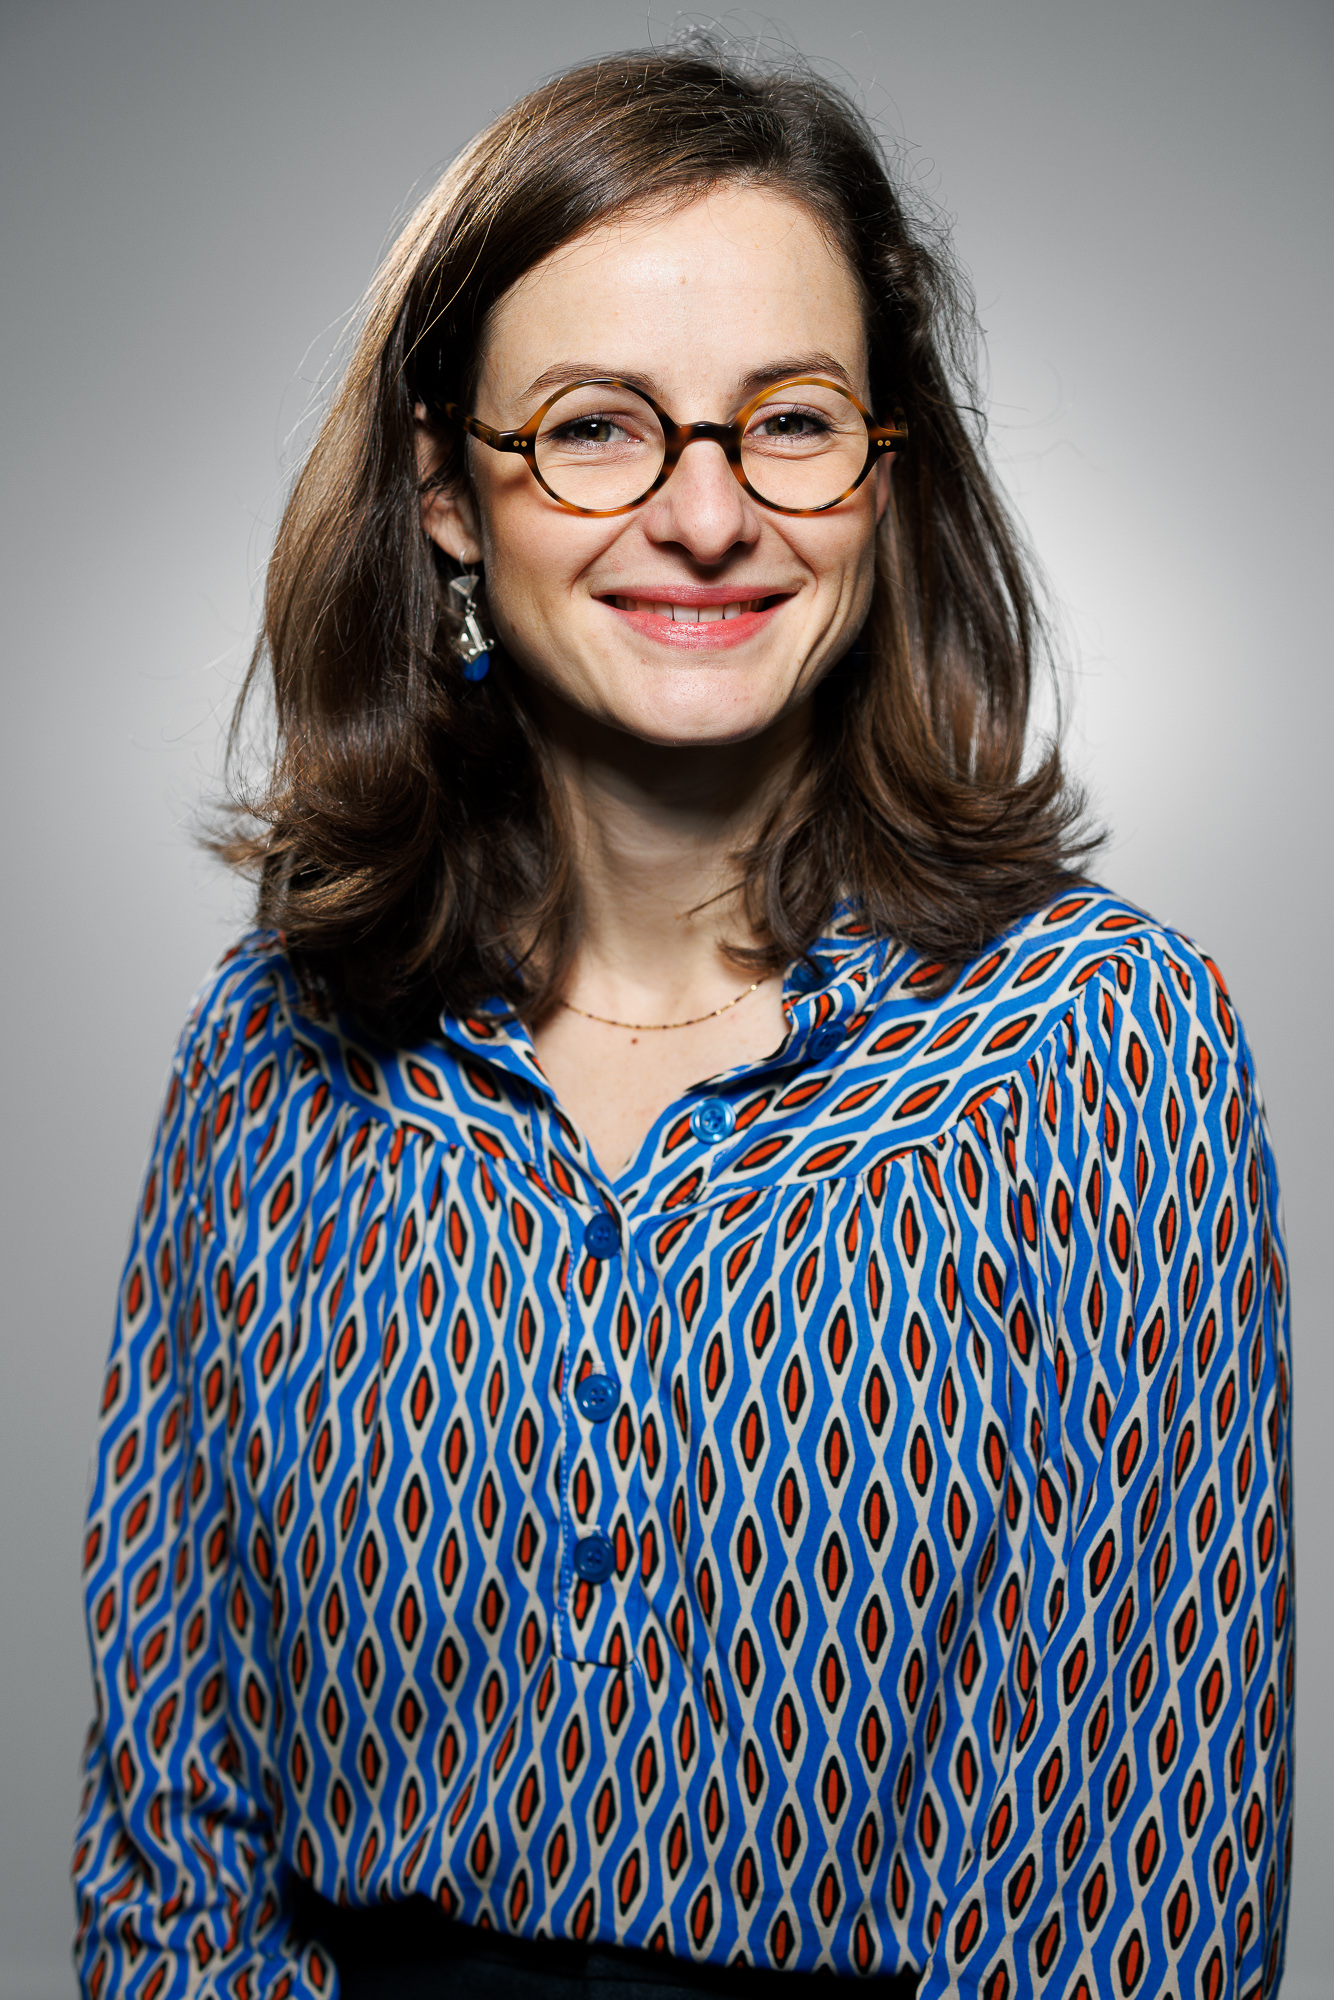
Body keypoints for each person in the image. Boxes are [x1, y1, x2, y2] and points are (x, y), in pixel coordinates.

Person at [72, 40, 1293, 2000]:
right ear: (445, 491)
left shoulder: (1093, 1047)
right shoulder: (273, 1041)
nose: (707, 515)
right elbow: (171, 1817)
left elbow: (1135, 1874)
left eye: (787, 421)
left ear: (883, 473)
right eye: (595, 428)